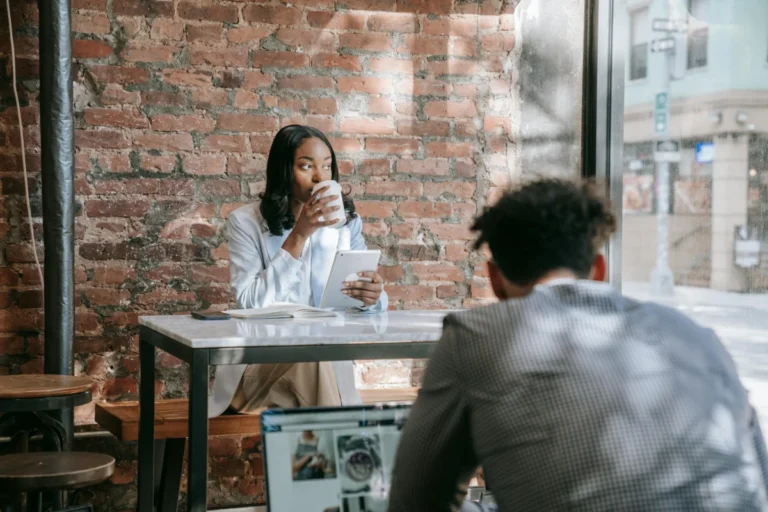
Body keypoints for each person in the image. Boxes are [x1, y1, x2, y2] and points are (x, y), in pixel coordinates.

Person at [388, 178, 768, 511]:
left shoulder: (474, 337)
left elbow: (414, 502)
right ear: (598, 271)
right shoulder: (697, 336)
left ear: (495, 279)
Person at [223, 125, 388, 413]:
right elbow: (250, 303)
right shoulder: (245, 223)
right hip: (261, 366)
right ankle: (353, 453)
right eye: (306, 166)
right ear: (283, 171)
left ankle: (336, 454)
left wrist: (372, 296)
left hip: (324, 367)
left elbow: (369, 305)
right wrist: (299, 235)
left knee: (315, 358)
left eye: (327, 166)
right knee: (314, 358)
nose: (319, 177)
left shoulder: (345, 224)